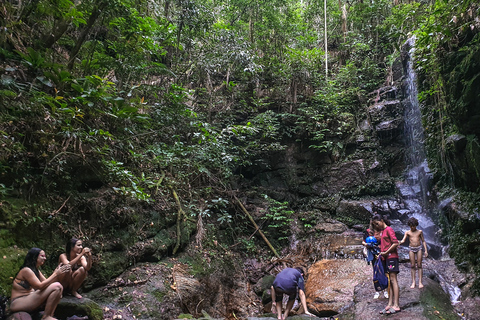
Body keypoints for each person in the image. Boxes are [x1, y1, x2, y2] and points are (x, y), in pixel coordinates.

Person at [10, 247, 71, 320]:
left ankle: (50, 315)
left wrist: (57, 273)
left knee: (59, 289)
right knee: (57, 286)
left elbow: (47, 283)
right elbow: (40, 286)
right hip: (18, 302)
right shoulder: (26, 270)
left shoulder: (36, 270)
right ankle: (46, 317)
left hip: (29, 298)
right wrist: (55, 274)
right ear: (34, 257)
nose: (45, 258)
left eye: (45, 256)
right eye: (42, 256)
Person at [371, 214, 401, 315]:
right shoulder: (383, 231)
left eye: (377, 223)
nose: (376, 226)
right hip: (386, 258)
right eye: (375, 225)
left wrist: (386, 252)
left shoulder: (389, 229)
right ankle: (390, 304)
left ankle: (396, 305)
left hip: (392, 257)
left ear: (382, 220)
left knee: (393, 280)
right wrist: (382, 253)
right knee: (389, 281)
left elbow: (395, 243)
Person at [399, 217, 428, 289]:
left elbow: (423, 241)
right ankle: (413, 282)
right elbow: (403, 240)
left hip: (419, 248)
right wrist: (398, 242)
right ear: (409, 226)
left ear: (416, 225)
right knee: (412, 265)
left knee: (419, 265)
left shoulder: (420, 232)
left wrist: (426, 251)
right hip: (411, 249)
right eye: (411, 226)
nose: (412, 227)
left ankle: (420, 282)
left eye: (414, 226)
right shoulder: (407, 232)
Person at [362, 227, 388, 300]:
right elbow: (363, 242)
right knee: (376, 272)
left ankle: (385, 290)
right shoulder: (367, 231)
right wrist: (366, 244)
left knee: (384, 271)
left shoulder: (382, 231)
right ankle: (377, 290)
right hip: (373, 254)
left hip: (381, 253)